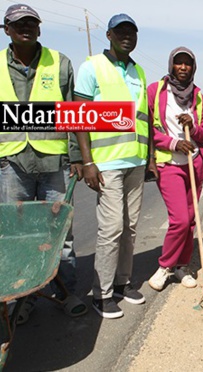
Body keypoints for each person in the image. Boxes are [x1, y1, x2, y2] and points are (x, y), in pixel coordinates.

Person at [0, 3, 87, 322]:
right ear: (6, 29)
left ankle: (67, 292)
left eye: (31, 23)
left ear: (39, 28)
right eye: (18, 23)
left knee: (60, 233)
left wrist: (77, 157)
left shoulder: (59, 63)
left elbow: (75, 114)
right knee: (19, 236)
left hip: (55, 165)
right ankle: (23, 298)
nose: (26, 27)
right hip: (11, 166)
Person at [74, 13, 149, 319]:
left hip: (136, 161)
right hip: (106, 163)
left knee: (130, 228)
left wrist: (151, 160)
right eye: (121, 32)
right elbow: (78, 116)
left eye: (131, 32)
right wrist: (87, 161)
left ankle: (123, 283)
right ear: (109, 35)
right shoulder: (91, 66)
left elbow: (143, 119)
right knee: (111, 228)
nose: (127, 36)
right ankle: (101, 293)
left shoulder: (139, 71)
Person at [146, 47, 203, 291]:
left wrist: (193, 127)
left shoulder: (198, 96)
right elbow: (148, 130)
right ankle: (165, 266)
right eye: (179, 63)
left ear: (193, 67)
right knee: (180, 220)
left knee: (191, 219)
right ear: (171, 65)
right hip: (170, 163)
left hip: (194, 163)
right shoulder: (156, 91)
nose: (183, 67)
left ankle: (181, 266)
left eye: (188, 63)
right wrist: (174, 142)